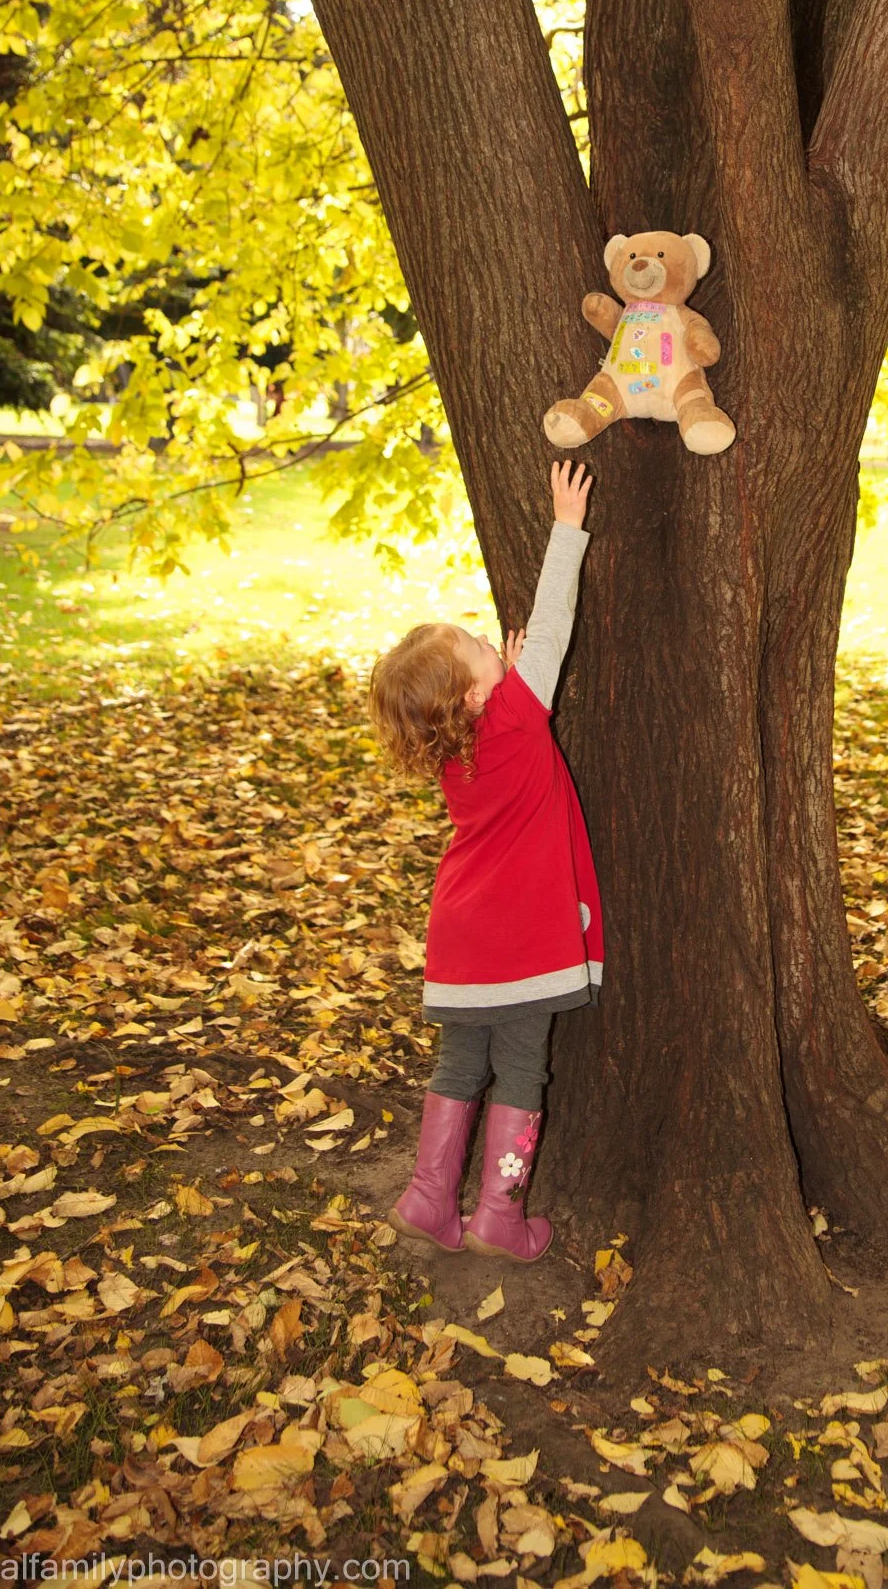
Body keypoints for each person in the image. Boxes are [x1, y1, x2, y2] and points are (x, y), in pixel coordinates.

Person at [368, 461, 601, 1262]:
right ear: (473, 696)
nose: (486, 638)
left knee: (460, 1061)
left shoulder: (452, 749)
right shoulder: (518, 714)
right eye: (475, 646)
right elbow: (554, 621)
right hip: (524, 936)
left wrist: (498, 672)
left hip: (461, 933)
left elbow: (498, 700)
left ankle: (431, 1198)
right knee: (523, 1070)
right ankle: (500, 1213)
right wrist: (566, 526)